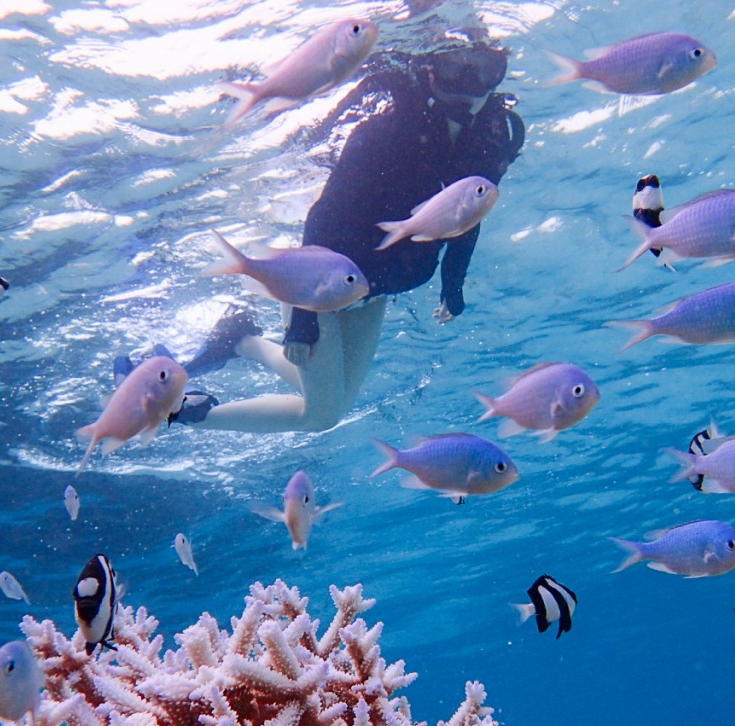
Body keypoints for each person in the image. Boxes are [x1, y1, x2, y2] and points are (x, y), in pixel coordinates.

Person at [176, 38, 525, 433]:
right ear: (428, 70)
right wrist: (303, 317)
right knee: (322, 414)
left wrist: (453, 283)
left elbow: (466, 219)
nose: (467, 83)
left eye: (483, 69)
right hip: (318, 283)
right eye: (453, 67)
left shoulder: (486, 146)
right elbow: (323, 216)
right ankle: (184, 413)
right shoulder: (383, 134)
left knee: (334, 398)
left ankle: (240, 339)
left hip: (369, 292)